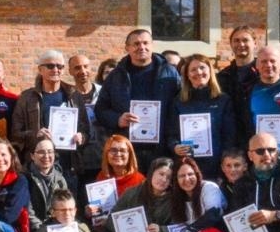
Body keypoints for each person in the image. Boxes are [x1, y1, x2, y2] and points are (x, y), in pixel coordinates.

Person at [98, 28, 181, 164]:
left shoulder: (170, 73)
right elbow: (101, 109)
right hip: (128, 149)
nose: (141, 47)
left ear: (152, 45)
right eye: (136, 44)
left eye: (145, 43)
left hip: (162, 147)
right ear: (127, 48)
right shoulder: (116, 76)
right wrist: (117, 119)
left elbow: (181, 105)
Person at [11, 49, 85, 175]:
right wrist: (36, 134)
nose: (55, 70)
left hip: (68, 164)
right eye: (50, 66)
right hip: (37, 166)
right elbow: (15, 133)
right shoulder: (27, 97)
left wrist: (81, 137)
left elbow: (86, 129)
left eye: (59, 66)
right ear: (40, 69)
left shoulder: (74, 95)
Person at [169, 53, 237, 179]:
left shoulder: (223, 100)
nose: (199, 72)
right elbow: (171, 134)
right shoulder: (178, 102)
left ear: (210, 71)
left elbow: (229, 136)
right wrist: (175, 146)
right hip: (188, 167)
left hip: (216, 167)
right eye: (193, 70)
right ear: (187, 75)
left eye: (202, 68)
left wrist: (224, 160)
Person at [237, 45, 280, 152]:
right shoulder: (246, 91)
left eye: (273, 61)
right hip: (258, 155)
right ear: (257, 65)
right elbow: (241, 126)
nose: (268, 65)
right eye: (264, 61)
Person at [68, 52, 105, 182]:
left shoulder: (104, 93)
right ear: (70, 71)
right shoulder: (67, 97)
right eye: (77, 68)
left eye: (85, 66)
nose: (83, 71)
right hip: (80, 160)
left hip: (104, 157)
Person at [23, 135, 69, 227]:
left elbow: (65, 208)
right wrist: (44, 231)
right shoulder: (25, 179)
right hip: (35, 230)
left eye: (50, 152)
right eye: (41, 152)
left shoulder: (60, 179)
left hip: (56, 228)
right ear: (32, 156)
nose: (46, 156)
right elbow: (28, 214)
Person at [217, 24, 260, 104]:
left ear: (255, 43)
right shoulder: (223, 76)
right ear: (231, 44)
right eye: (236, 41)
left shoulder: (262, 73)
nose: (241, 44)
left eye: (245, 40)